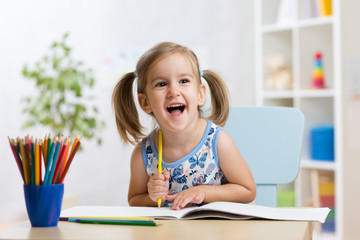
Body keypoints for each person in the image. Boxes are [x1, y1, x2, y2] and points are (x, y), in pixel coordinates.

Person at [112, 42, 256, 210]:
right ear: (145, 102)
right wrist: (153, 196)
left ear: (201, 94)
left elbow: (248, 191)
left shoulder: (217, 141)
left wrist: (204, 192)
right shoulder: (143, 153)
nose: (174, 91)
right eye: (161, 84)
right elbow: (135, 200)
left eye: (183, 81)